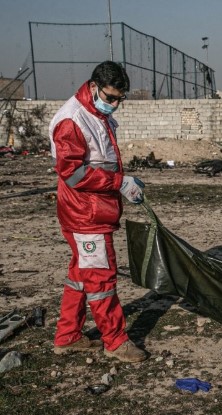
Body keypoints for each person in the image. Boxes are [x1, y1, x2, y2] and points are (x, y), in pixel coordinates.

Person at [48, 61, 148, 363]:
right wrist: (118, 182)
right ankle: (115, 341)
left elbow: (100, 160)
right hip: (84, 214)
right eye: (111, 97)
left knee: (81, 273)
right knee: (102, 278)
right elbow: (73, 174)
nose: (115, 104)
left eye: (120, 99)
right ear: (93, 87)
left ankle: (67, 337)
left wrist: (121, 183)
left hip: (94, 210)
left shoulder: (95, 114)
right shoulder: (72, 120)